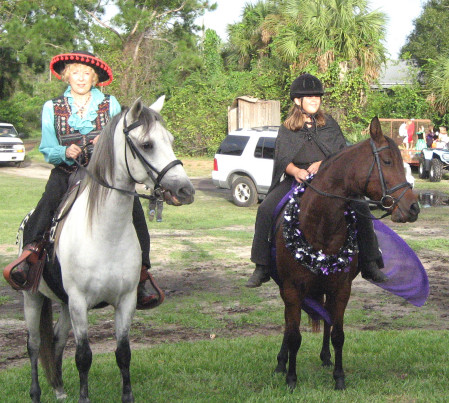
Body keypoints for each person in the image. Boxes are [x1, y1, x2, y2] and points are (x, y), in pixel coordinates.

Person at [5, 51, 158, 309]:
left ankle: (142, 274)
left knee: (134, 210)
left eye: (86, 73)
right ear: (67, 75)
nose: (81, 78)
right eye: (75, 72)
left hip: (104, 174)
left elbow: (121, 139)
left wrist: (105, 141)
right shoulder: (51, 107)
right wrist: (64, 151)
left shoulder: (109, 104)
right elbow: (47, 147)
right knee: (48, 202)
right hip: (67, 171)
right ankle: (29, 258)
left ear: (94, 77)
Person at [246, 73, 387, 288]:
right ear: (297, 101)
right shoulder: (287, 127)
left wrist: (323, 164)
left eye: (317, 97)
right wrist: (296, 172)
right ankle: (261, 266)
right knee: (265, 208)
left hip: (330, 181)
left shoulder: (329, 124)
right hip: (298, 181)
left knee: (361, 207)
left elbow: (342, 153)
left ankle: (369, 262)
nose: (314, 100)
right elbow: (282, 158)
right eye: (309, 96)